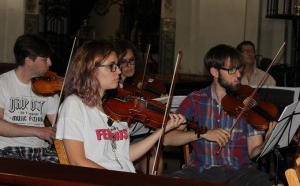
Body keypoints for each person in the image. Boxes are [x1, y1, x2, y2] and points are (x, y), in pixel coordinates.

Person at [55, 39, 185, 172]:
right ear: (91, 69)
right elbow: (77, 161)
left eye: (117, 65)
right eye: (112, 66)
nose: (118, 71)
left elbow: (123, 155)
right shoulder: (74, 105)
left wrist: (162, 130)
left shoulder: (116, 107)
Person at [163, 44, 282, 185]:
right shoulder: (195, 100)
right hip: (200, 171)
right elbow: (166, 139)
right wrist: (202, 134)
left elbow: (253, 152)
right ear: (215, 72)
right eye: (231, 70)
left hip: (240, 173)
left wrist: (267, 143)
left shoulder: (247, 102)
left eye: (238, 69)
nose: (238, 74)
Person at [0, 34, 59, 163]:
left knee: (68, 172)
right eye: (45, 59)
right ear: (28, 61)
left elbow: (59, 125)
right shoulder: (3, 83)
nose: (50, 63)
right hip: (9, 149)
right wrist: (37, 131)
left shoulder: (49, 86)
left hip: (41, 150)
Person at [113, 39, 166, 174]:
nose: (130, 65)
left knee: (155, 161)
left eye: (132, 60)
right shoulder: (112, 88)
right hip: (115, 137)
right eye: (124, 62)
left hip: (136, 135)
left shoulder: (135, 83)